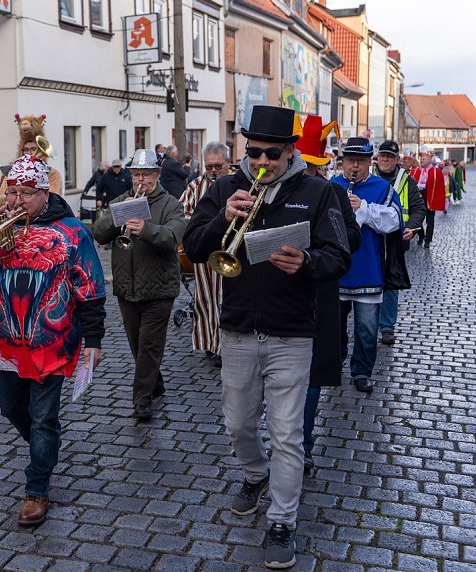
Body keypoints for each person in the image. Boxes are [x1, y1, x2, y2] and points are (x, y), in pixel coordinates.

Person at [183, 105, 350, 569]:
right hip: (236, 330)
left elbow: (340, 254)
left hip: (293, 333)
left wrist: (309, 263)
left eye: (270, 154)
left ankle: (282, 520)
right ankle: (256, 474)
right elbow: (194, 246)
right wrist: (222, 219)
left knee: (287, 434)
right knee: (237, 424)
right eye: (252, 152)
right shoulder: (224, 187)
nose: (260, 162)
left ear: (290, 151)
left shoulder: (319, 192)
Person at [0, 154, 106, 527]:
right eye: (13, 191)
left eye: (26, 193)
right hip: (6, 340)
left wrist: (94, 339)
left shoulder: (73, 231)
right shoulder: (3, 228)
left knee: (43, 419)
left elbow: (89, 287)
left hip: (52, 342)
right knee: (10, 407)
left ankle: (36, 489)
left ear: (45, 193)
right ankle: (47, 448)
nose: (17, 200)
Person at [92, 148, 186, 422]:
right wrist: (117, 217)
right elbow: (98, 232)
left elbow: (172, 237)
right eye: (137, 175)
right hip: (127, 287)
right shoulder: (122, 200)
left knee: (149, 346)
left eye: (146, 174)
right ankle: (155, 383)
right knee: (137, 345)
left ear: (157, 175)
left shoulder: (171, 204)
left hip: (159, 289)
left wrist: (146, 229)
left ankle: (141, 400)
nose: (140, 181)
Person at [294, 115, 362, 475]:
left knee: (312, 374)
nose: (305, 172)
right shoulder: (274, 190)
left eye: (311, 167)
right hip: (281, 293)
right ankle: (286, 441)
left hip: (320, 293)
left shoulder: (334, 192)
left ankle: (301, 445)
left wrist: (324, 239)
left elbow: (352, 240)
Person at [335, 138, 402, 394]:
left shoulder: (382, 187)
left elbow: (394, 221)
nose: (354, 167)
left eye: (360, 162)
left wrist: (363, 207)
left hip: (368, 270)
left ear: (369, 163)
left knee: (366, 330)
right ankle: (335, 361)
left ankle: (361, 371)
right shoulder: (332, 186)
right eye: (350, 161)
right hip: (337, 271)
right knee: (335, 326)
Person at [178, 141, 231, 365]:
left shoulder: (238, 183)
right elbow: (182, 215)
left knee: (227, 300)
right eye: (209, 167)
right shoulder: (194, 187)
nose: (213, 171)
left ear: (228, 163)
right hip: (205, 253)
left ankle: (229, 346)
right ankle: (211, 345)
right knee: (207, 300)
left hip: (231, 251)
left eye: (218, 166)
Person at [373, 140, 426, 346]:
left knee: (390, 283)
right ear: (377, 157)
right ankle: (365, 322)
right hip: (369, 239)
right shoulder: (366, 176)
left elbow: (419, 208)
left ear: (397, 159)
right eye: (382, 155)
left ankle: (387, 327)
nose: (385, 159)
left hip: (395, 241)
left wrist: (410, 228)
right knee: (368, 281)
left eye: (390, 156)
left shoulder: (407, 180)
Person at [410, 146, 445, 249]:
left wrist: (439, 202)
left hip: (430, 200)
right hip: (418, 201)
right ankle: (421, 235)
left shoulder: (436, 171)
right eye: (421, 158)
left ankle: (428, 240)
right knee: (417, 220)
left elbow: (440, 188)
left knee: (430, 222)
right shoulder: (416, 171)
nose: (422, 160)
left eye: (424, 158)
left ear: (429, 159)